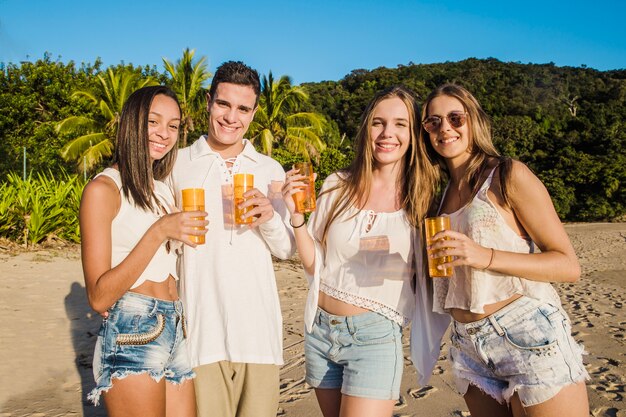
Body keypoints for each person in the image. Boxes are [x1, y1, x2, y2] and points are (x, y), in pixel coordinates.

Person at [419, 83, 589, 417]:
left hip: (527, 333)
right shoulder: (437, 196)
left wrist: (485, 256)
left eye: (456, 117)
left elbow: (568, 265)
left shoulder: (507, 174)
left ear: (474, 121)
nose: (445, 128)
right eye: (433, 122)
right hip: (467, 344)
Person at [281, 85, 431, 417]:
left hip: (375, 336)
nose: (387, 133)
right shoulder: (337, 184)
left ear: (413, 134)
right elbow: (314, 264)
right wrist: (296, 217)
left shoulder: (424, 196)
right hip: (319, 330)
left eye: (400, 124)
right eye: (378, 123)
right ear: (366, 129)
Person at [167, 61, 296, 417]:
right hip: (200, 334)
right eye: (223, 104)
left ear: (253, 113)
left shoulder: (269, 169)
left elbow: (286, 249)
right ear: (208, 102)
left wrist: (269, 217)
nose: (231, 117)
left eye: (242, 108)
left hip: (258, 335)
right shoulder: (177, 164)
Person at [80, 85, 207, 416]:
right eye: (153, 122)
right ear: (132, 123)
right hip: (133, 329)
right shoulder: (102, 189)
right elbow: (98, 296)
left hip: (174, 324)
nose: (164, 134)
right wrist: (159, 231)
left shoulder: (162, 187)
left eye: (173, 125)